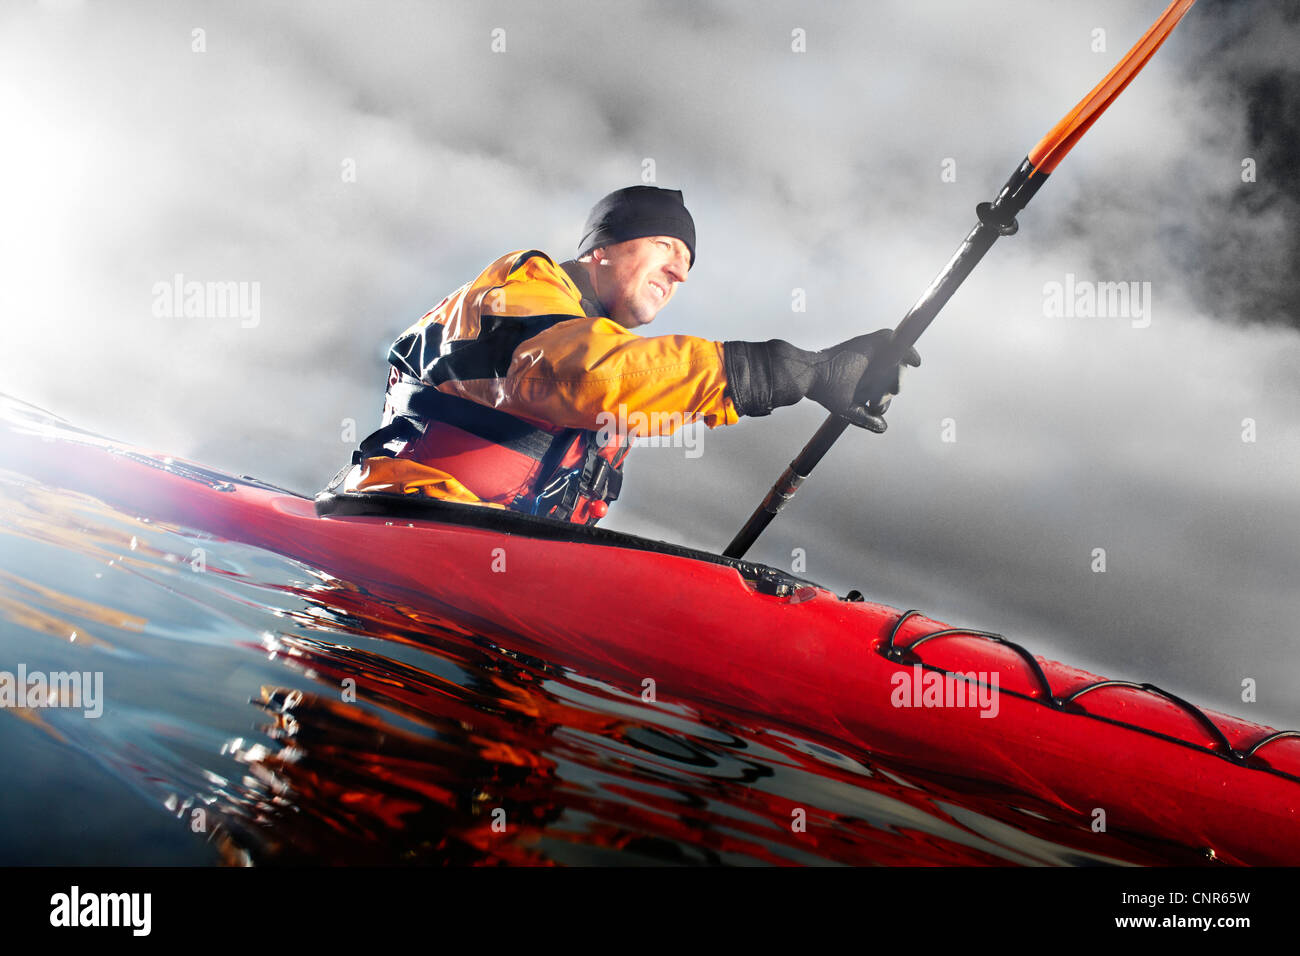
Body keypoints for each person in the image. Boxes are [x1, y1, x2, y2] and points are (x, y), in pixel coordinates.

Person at [330, 185, 919, 524]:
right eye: (666, 244)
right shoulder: (512, 297)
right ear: (602, 250)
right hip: (401, 532)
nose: (679, 270)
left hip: (504, 579)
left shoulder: (609, 347)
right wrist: (800, 371)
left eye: (687, 261)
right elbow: (581, 376)